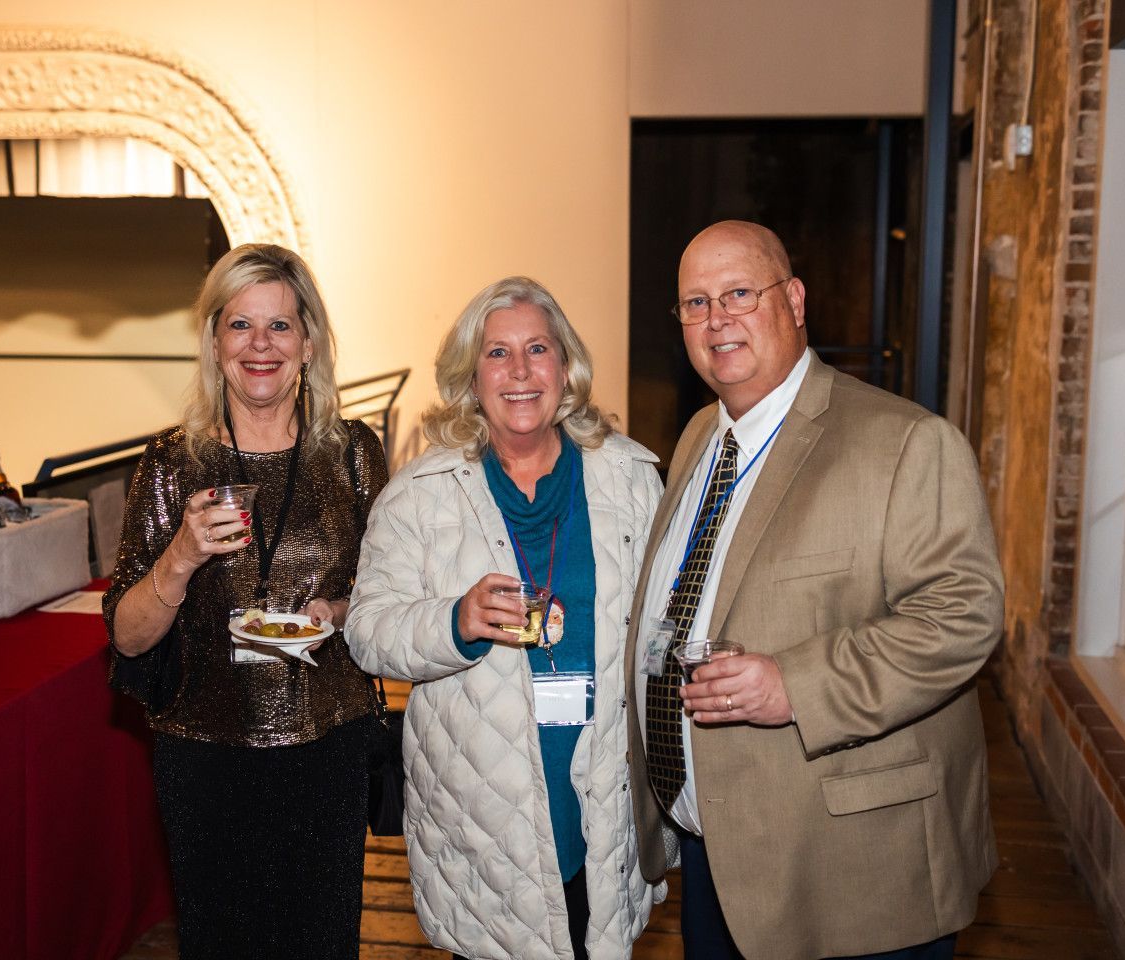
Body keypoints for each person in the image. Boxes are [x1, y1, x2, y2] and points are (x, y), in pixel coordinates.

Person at [625, 221, 1004, 960]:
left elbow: (964, 616)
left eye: (739, 293)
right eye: (695, 304)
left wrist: (794, 685)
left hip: (852, 874)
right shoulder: (704, 434)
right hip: (721, 855)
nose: (717, 320)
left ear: (794, 300)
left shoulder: (903, 443)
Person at [345, 277, 665, 960]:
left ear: (566, 368)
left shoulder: (632, 479)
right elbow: (367, 630)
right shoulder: (419, 498)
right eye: (497, 353)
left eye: (538, 349)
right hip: (482, 817)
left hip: (603, 803)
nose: (519, 371)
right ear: (470, 377)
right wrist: (452, 620)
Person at [102, 243, 388, 960]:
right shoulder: (170, 462)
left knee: (322, 942)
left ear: (309, 343)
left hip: (328, 746)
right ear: (214, 341)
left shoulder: (353, 452)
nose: (260, 346)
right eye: (240, 326)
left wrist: (337, 613)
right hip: (206, 758)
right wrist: (182, 555)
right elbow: (130, 639)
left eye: (280, 327)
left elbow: (392, 590)